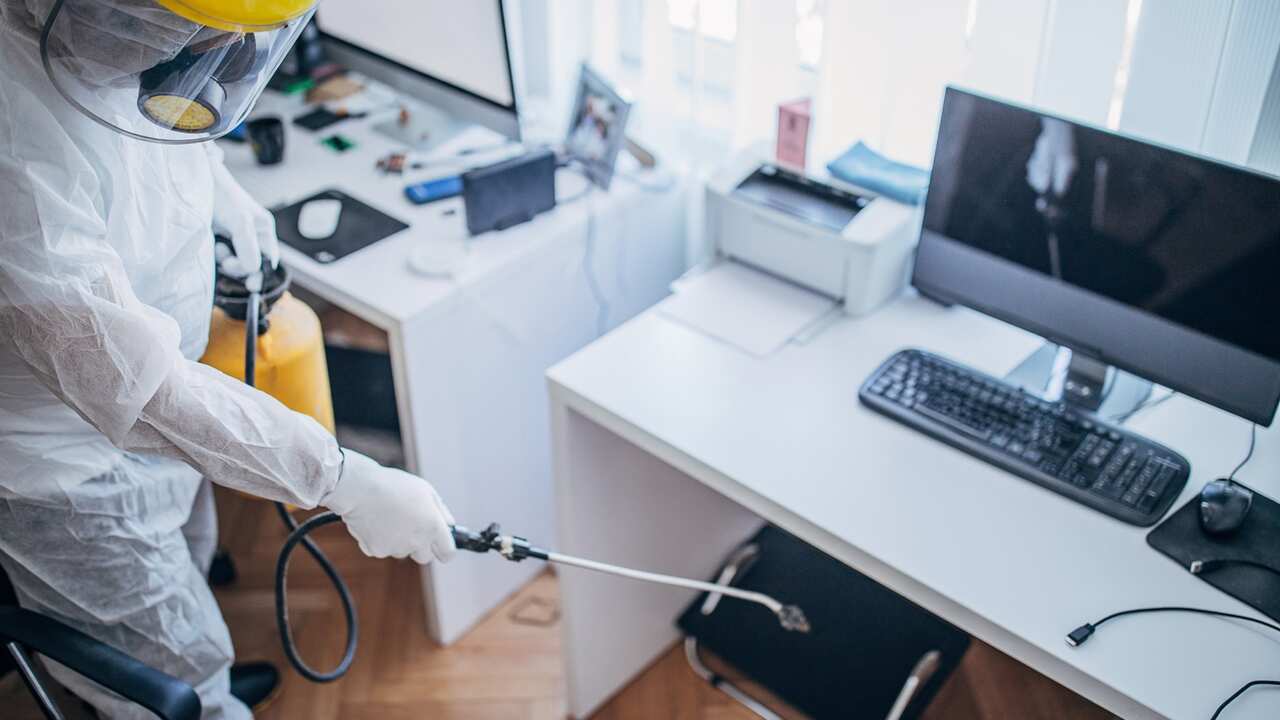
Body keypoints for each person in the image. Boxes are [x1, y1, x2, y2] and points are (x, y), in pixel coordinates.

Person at [0, 1, 456, 717]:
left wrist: (224, 196)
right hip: (68, 474)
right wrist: (341, 479)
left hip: (165, 425)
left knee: (188, 578)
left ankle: (197, 668)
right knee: (165, 692)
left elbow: (152, 117)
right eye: (193, 36)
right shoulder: (14, 156)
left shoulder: (104, 48)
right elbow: (139, 390)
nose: (210, 56)